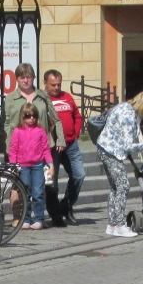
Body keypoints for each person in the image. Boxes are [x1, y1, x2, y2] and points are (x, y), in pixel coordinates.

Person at [96, 91, 143, 238]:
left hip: (105, 147)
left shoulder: (127, 107)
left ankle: (112, 225)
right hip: (111, 151)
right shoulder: (128, 115)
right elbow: (127, 145)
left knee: (115, 187)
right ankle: (119, 225)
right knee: (123, 186)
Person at [43, 69, 86, 225]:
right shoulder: (41, 99)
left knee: (79, 175)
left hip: (70, 145)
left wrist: (75, 132)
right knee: (51, 182)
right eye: (53, 84)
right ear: (45, 83)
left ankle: (66, 206)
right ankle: (55, 215)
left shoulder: (67, 97)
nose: (56, 87)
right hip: (51, 147)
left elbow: (77, 115)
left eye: (59, 84)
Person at [7, 103, 52, 230]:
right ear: (22, 117)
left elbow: (46, 149)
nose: (31, 118)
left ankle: (38, 218)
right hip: (23, 166)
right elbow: (13, 150)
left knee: (38, 192)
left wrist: (51, 164)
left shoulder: (40, 131)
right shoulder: (17, 131)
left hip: (37, 165)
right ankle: (26, 218)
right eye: (28, 116)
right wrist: (14, 166)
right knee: (24, 192)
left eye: (34, 116)